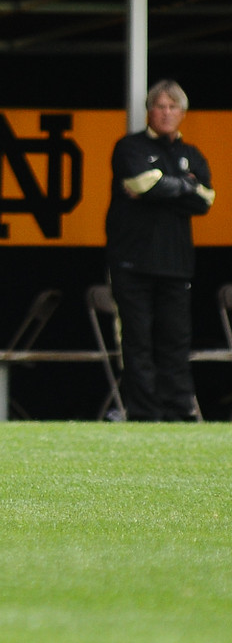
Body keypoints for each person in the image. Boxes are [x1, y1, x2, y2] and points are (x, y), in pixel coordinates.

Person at [106, 79, 215, 421]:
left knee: (175, 340)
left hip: (176, 264)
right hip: (132, 262)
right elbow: (141, 182)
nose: (166, 113)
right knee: (137, 340)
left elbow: (206, 200)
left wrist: (167, 186)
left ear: (183, 113)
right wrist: (185, 187)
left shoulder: (191, 154)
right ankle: (142, 413)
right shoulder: (130, 147)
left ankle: (178, 411)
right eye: (160, 106)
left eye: (173, 107)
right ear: (149, 111)